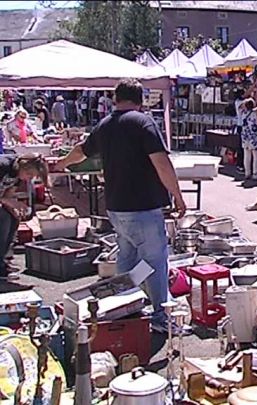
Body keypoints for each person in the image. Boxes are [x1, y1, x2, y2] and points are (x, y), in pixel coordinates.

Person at [55, 78, 188, 334]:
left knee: (127, 258)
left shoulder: (104, 125)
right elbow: (161, 162)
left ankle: (125, 307)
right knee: (155, 261)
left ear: (115, 98)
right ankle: (161, 316)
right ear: (139, 99)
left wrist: (62, 163)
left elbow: (81, 151)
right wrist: (178, 196)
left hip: (116, 206)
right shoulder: (142, 122)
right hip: (143, 205)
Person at [0, 155, 49, 280]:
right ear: (24, 167)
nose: (29, 178)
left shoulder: (18, 176)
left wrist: (14, 209)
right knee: (3, 219)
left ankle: (2, 260)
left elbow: (8, 195)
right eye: (29, 174)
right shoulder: (4, 166)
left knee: (12, 218)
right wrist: (10, 203)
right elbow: (5, 199)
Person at [238, 99, 257, 181]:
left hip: (245, 136)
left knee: (246, 155)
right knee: (256, 155)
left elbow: (239, 107)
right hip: (254, 136)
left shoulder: (243, 113)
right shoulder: (255, 114)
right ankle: (255, 173)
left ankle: (247, 172)